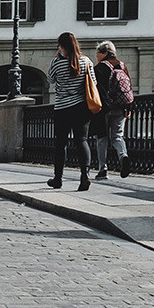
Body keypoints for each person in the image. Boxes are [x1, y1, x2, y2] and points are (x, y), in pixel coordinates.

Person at [47, 31, 94, 191]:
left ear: (61, 46)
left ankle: (58, 179)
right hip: (81, 107)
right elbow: (92, 82)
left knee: (61, 144)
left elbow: (50, 80)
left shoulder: (56, 62)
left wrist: (57, 58)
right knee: (82, 140)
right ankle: (85, 176)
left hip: (62, 108)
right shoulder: (86, 61)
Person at [93, 41, 134, 178]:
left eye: (98, 53)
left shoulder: (99, 68)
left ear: (104, 53)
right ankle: (123, 156)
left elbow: (98, 90)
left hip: (104, 108)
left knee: (102, 138)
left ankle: (102, 169)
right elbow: (128, 88)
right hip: (121, 107)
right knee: (117, 136)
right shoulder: (122, 66)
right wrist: (128, 107)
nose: (96, 56)